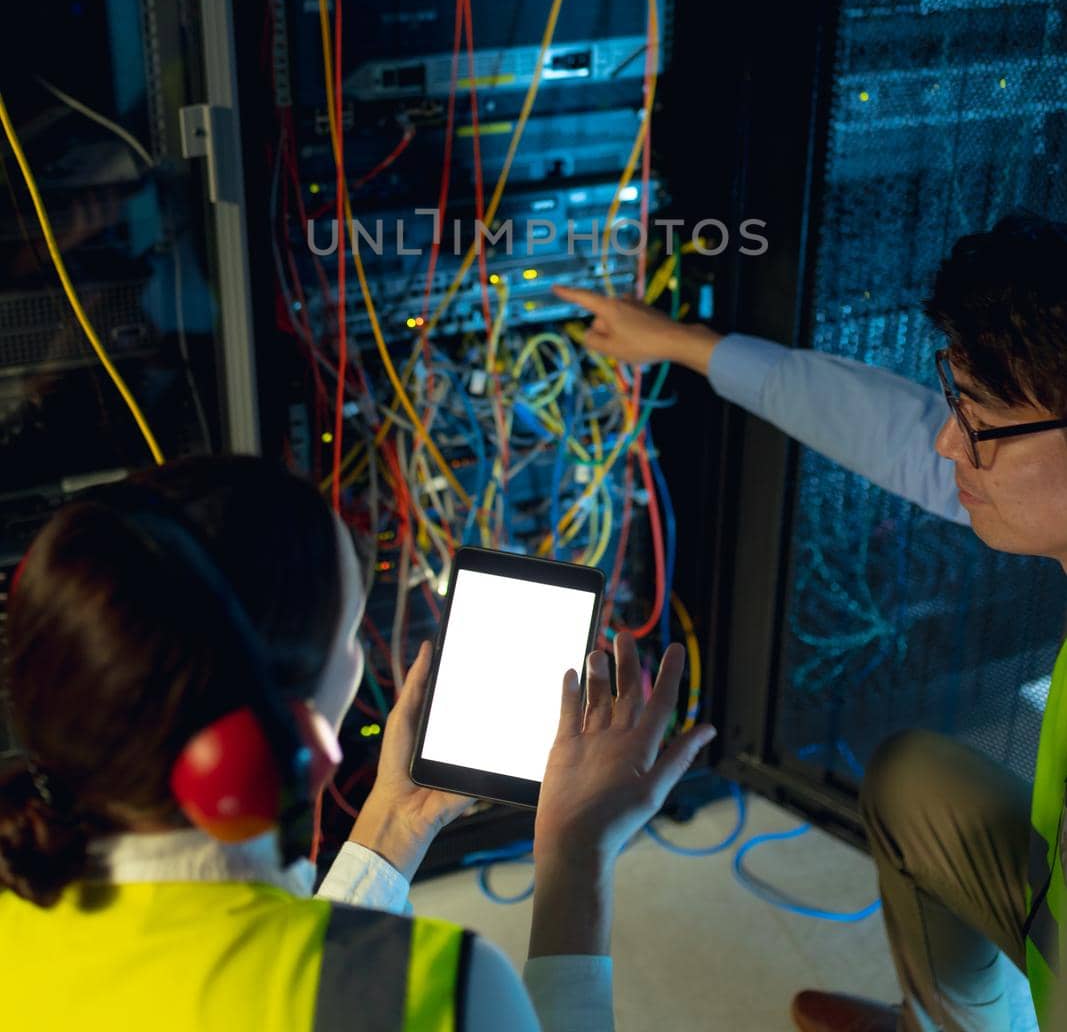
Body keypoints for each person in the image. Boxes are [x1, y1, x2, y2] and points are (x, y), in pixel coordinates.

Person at [556, 209, 1067, 1032]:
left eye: (974, 417)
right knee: (911, 784)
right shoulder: (1033, 468)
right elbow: (894, 431)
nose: (945, 443)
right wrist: (685, 345)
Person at [0, 454, 714, 1031]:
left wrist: (395, 824)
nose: (360, 656)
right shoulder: (435, 990)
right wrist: (575, 854)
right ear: (291, 730)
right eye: (348, 635)